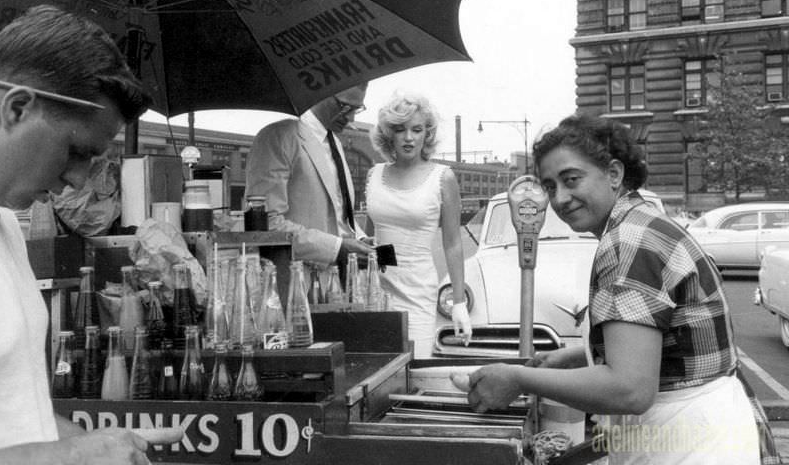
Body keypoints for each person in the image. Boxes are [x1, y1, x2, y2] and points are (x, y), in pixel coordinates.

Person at [458, 114, 761, 463]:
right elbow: (666, 335)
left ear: (614, 174)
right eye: (550, 186)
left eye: (571, 179)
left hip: (686, 439)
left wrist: (518, 379)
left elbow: (629, 389)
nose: (560, 198)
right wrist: (575, 356)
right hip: (705, 425)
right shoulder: (641, 221)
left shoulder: (628, 242)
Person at [0, 5, 181, 463]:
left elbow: (13, 410)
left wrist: (98, 445)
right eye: (76, 151)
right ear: (17, 108)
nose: (78, 181)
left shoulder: (4, 228)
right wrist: (72, 457)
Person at [365, 92, 471, 358]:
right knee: (378, 371)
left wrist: (459, 303)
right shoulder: (373, 174)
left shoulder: (442, 178)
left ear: (427, 134)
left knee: (414, 366)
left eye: (417, 129)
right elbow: (372, 239)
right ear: (389, 134)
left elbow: (453, 244)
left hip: (417, 290)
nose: (409, 137)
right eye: (400, 130)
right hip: (376, 291)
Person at [245, 84, 373, 270]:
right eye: (345, 107)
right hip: (293, 279)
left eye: (357, 109)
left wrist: (359, 240)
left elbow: (338, 216)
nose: (351, 118)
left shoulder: (335, 142)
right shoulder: (277, 137)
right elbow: (266, 223)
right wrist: (336, 248)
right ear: (320, 93)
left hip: (333, 281)